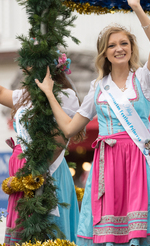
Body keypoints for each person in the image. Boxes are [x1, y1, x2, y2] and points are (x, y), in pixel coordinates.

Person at [35, 0, 150, 246]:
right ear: (104, 53)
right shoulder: (97, 88)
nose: (118, 49)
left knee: (139, 230)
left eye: (124, 43)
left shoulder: (144, 80)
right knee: (108, 232)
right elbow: (69, 129)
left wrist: (136, 8)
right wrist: (47, 94)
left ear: (131, 48)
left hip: (138, 161)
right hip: (108, 165)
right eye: (112, 45)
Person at [0, 55, 82, 245]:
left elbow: (61, 136)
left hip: (46, 170)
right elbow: (2, 92)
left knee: (47, 232)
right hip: (23, 174)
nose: (24, 68)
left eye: (30, 62)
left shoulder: (64, 95)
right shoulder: (27, 94)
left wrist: (35, 173)